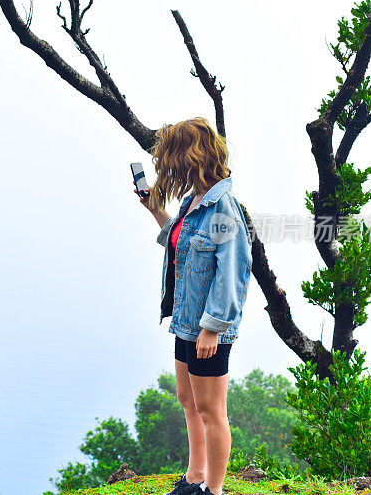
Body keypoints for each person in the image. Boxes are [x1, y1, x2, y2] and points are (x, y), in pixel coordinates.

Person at [135, 117, 252, 495]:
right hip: (185, 322)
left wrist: (213, 326)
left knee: (211, 411)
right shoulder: (194, 202)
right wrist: (155, 208)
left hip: (207, 329)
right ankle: (193, 477)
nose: (169, 167)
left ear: (192, 157)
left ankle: (213, 491)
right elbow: (178, 243)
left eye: (173, 157)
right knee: (188, 401)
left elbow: (233, 271)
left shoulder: (223, 209)